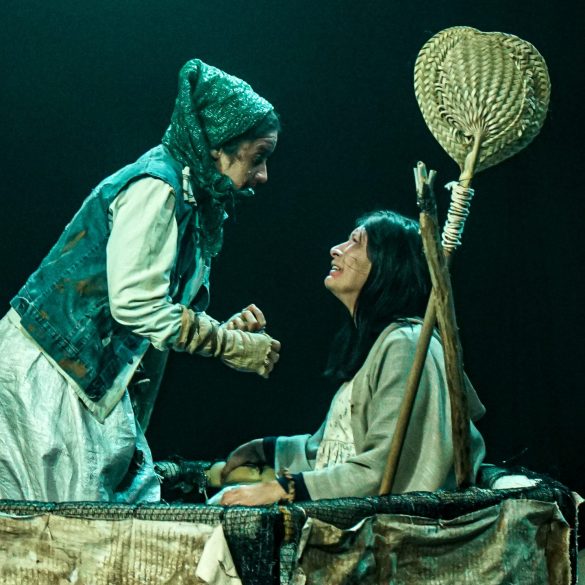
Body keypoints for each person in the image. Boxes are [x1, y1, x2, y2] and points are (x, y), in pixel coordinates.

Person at [0, 59, 281, 503]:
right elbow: (136, 305)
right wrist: (226, 344)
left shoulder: (190, 201)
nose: (262, 175)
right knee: (69, 523)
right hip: (52, 374)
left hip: (88, 378)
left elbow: (155, 309)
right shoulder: (157, 187)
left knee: (105, 516)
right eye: (258, 157)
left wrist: (224, 332)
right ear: (218, 145)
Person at [216, 210, 486, 506]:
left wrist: (286, 488)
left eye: (356, 242)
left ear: (388, 263)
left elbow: (386, 466)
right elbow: (337, 449)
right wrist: (267, 450)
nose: (336, 250)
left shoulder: (407, 345)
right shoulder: (385, 343)